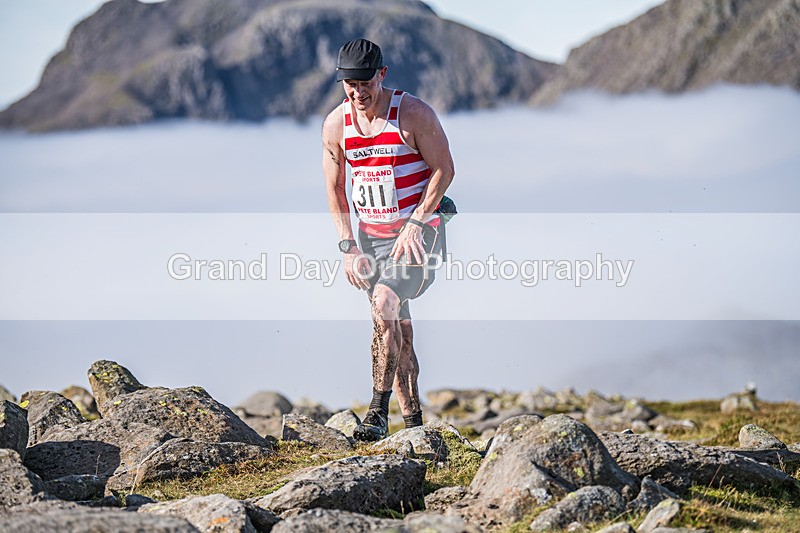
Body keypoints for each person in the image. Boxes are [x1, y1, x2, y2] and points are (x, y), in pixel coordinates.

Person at [321, 39, 455, 441]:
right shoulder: (336, 125)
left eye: (365, 82)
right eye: (350, 84)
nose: (358, 92)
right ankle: (414, 429)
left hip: (419, 235)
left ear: (381, 74)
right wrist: (348, 246)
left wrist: (416, 222)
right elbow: (335, 190)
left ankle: (376, 415)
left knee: (384, 303)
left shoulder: (413, 114)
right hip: (371, 239)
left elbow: (444, 169)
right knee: (395, 328)